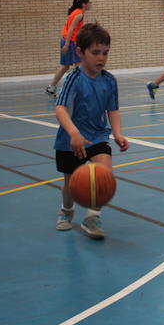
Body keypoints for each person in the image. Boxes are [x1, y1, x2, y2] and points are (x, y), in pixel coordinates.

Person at [54, 23, 128, 239]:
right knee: (71, 185)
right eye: (95, 53)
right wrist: (73, 133)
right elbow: (60, 108)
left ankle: (92, 217)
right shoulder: (73, 79)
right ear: (80, 52)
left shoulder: (109, 80)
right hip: (71, 140)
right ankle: (66, 211)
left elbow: (112, 110)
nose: (101, 58)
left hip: (97, 136)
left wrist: (117, 133)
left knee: (103, 173)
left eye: (105, 53)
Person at [47, 0, 91, 96]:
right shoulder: (79, 14)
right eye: (89, 2)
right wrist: (67, 44)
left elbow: (74, 29)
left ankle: (51, 87)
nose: (91, 4)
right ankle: (78, 89)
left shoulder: (76, 12)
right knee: (79, 65)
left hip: (68, 40)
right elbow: (71, 29)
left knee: (65, 66)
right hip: (70, 42)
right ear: (84, 4)